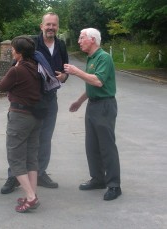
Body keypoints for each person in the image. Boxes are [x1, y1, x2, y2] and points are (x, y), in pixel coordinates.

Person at [1, 12, 69, 194]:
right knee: (21, 141)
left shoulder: (61, 45)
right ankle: (13, 176)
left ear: (58, 27)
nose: (51, 28)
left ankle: (40, 172)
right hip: (30, 100)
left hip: (49, 100)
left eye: (54, 25)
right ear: (41, 26)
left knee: (45, 138)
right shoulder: (32, 43)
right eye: (48, 24)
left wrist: (64, 76)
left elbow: (65, 69)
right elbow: (15, 67)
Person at [64, 28, 121, 201]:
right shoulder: (91, 58)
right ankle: (98, 179)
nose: (79, 41)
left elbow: (98, 81)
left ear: (93, 40)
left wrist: (76, 71)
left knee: (106, 146)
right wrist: (79, 101)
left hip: (104, 105)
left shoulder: (104, 57)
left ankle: (114, 185)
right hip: (93, 105)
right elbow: (91, 84)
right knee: (92, 145)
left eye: (82, 38)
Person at [0, 35, 42, 213]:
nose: (11, 51)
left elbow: (1, 86)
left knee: (15, 157)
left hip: (19, 116)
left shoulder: (17, 70)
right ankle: (33, 193)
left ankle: (30, 197)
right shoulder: (36, 68)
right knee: (31, 157)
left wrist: (14, 68)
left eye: (13, 49)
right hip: (35, 117)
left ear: (19, 52)